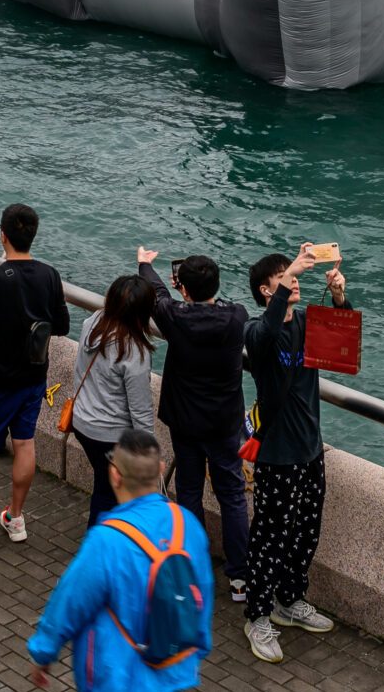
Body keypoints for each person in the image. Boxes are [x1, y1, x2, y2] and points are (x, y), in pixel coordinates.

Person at [26, 429, 214, 692]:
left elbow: (70, 601)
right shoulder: (187, 525)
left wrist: (43, 651)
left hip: (117, 677)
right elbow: (201, 594)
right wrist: (196, 649)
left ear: (115, 474)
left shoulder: (106, 540)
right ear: (160, 469)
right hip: (173, 671)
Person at [239, 245, 348, 662]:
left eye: (295, 273)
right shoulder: (256, 332)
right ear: (267, 290)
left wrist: (338, 296)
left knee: (306, 528)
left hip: (309, 448)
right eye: (284, 276)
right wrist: (290, 279)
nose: (295, 278)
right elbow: (265, 335)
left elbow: (343, 341)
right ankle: (257, 615)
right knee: (269, 536)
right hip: (277, 453)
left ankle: (290, 599)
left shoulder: (306, 321)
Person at [136, 248, 250, 600]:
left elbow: (156, 294)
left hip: (185, 422)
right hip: (224, 423)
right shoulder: (236, 316)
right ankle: (240, 577)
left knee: (189, 491)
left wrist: (144, 263)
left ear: (183, 289)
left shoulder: (175, 317)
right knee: (232, 495)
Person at [0, 202, 67, 554]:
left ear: (2, 236)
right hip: (34, 377)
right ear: (32, 235)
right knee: (25, 443)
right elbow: (62, 326)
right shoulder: (50, 275)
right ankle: (16, 517)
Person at [69, 274, 159, 521]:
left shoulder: (94, 321)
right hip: (109, 436)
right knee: (108, 496)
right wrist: (149, 454)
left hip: (82, 422)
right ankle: (100, 546)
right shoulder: (134, 351)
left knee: (104, 482)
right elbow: (140, 411)